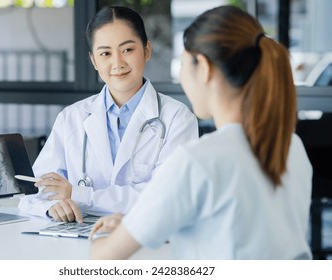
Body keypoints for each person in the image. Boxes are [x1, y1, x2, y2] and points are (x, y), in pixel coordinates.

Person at [89, 5, 313, 259]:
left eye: (183, 64)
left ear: (204, 68)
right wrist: (137, 225)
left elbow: (105, 257)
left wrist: (105, 234)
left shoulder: (198, 160)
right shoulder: (292, 147)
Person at [18, 6, 198, 222]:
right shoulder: (72, 118)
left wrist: (79, 194)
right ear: (94, 61)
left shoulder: (177, 118)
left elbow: (166, 195)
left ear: (146, 50)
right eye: (105, 53)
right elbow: (34, 191)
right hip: (78, 239)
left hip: (145, 239)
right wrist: (52, 207)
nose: (117, 63)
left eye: (128, 50)